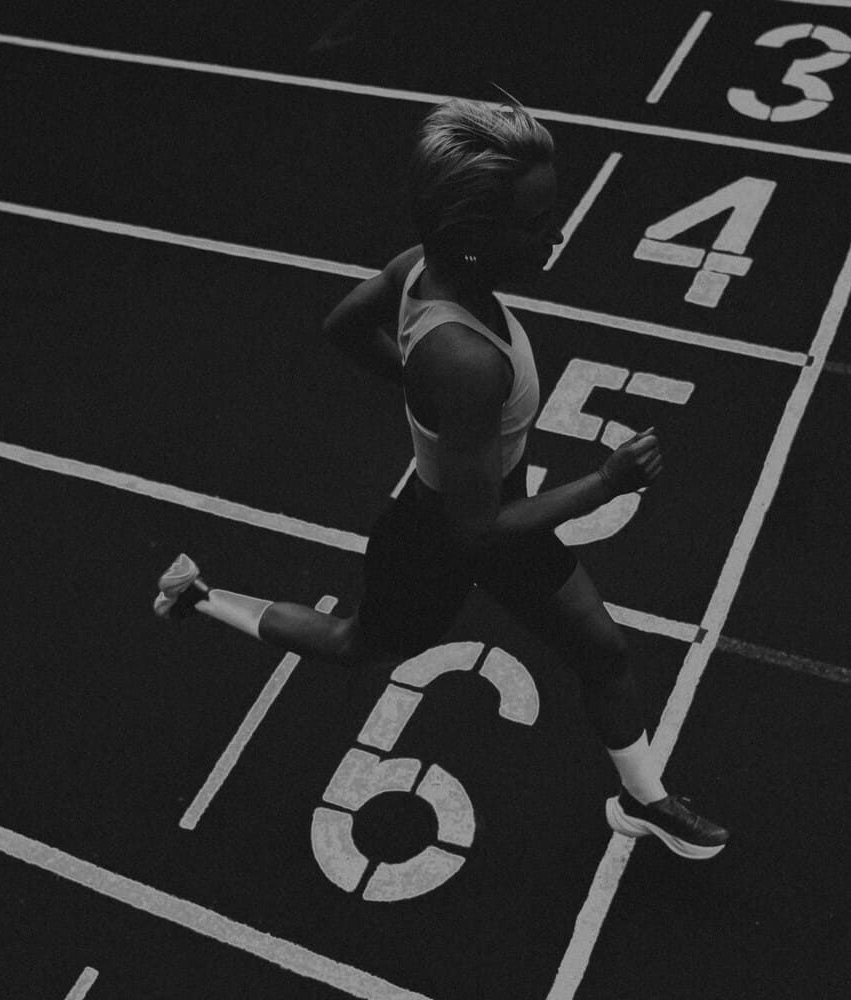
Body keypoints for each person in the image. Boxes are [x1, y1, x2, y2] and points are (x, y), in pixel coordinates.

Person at [154, 96, 728, 860]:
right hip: (437, 537)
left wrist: (421, 395)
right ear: (472, 238)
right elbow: (476, 533)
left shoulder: (420, 271)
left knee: (605, 653)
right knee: (356, 641)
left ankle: (644, 800)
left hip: (493, 510)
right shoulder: (464, 362)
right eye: (533, 223)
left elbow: (342, 327)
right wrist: (607, 482)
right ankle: (194, 595)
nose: (555, 234)